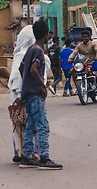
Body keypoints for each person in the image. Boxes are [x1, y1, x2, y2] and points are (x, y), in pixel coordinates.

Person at [19, 19, 62, 170]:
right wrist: (42, 86)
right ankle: (45, 158)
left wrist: (28, 84)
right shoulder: (38, 51)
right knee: (43, 127)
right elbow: (32, 69)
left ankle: (25, 157)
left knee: (31, 126)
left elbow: (21, 68)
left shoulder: (30, 49)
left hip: (28, 94)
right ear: (46, 34)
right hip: (36, 95)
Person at [8, 25, 40, 163]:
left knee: (17, 124)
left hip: (16, 97)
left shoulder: (18, 55)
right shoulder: (26, 55)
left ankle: (18, 153)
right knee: (29, 125)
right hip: (23, 95)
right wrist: (23, 95)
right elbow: (19, 77)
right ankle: (31, 154)